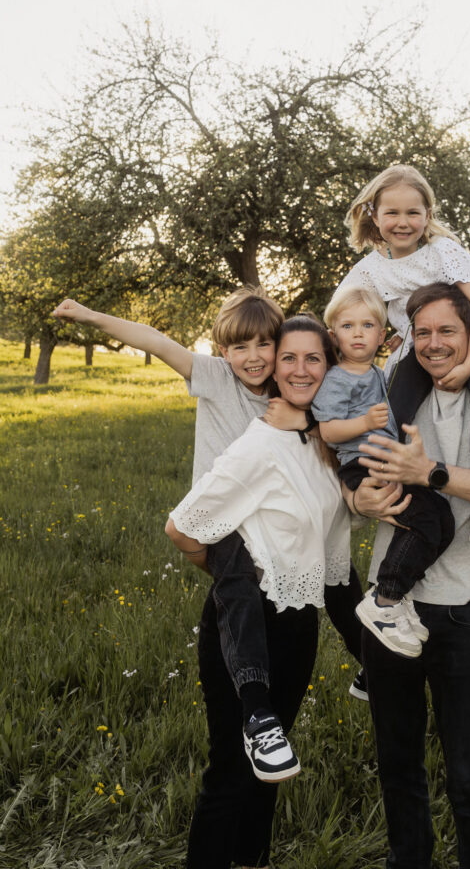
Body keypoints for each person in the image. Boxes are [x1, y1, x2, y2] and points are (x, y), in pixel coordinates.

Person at [52, 294, 361, 868]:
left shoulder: (309, 422)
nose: (263, 359)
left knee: (268, 766)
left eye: (272, 348)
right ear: (223, 350)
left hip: (296, 609)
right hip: (228, 552)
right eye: (242, 347)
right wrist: (92, 317)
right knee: (230, 769)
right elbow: (156, 340)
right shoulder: (222, 384)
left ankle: (254, 859)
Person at [346, 281, 470, 869]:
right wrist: (362, 503)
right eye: (422, 332)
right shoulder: (389, 398)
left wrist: (429, 471)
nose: (434, 343)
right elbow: (355, 484)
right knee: (399, 772)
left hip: (462, 610)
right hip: (388, 609)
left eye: (447, 330)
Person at [165, 314, 352, 783]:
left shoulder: (328, 439)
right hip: (246, 615)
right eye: (289, 358)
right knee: (229, 774)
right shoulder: (263, 441)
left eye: (314, 358)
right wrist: (241, 573)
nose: (301, 369)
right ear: (275, 369)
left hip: (300, 621)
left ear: (331, 364)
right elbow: (182, 528)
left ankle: (254, 860)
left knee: (267, 776)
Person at [335, 163, 470, 547]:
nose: (403, 222)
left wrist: (469, 364)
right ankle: (371, 488)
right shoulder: (369, 271)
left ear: (427, 216)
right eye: (393, 213)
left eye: (413, 213)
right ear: (374, 215)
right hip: (420, 346)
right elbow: (339, 312)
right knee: (391, 408)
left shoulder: (442, 252)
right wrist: (381, 334)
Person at [312, 285, 454, 658]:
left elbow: (398, 367)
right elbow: (327, 430)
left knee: (442, 517)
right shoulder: (337, 378)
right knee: (424, 519)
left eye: (367, 325)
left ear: (380, 335)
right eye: (347, 326)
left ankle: (398, 593)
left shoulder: (374, 371)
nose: (358, 333)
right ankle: (384, 599)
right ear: (333, 336)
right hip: (362, 465)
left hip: (387, 460)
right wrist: (361, 422)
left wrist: (395, 352)